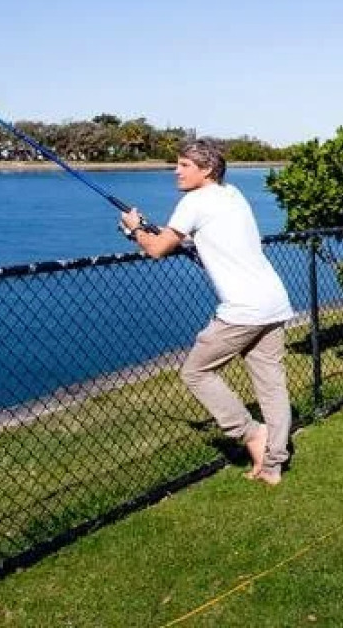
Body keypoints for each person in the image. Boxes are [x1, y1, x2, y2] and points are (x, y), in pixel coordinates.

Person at [121, 138, 294, 485]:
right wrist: (172, 239)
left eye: (184, 165)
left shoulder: (194, 202)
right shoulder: (232, 194)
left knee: (195, 373)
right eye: (178, 164)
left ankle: (249, 433)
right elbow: (206, 238)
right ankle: (273, 465)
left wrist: (135, 227)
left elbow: (156, 250)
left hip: (242, 310)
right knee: (272, 387)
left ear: (207, 169)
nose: (176, 171)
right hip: (274, 302)